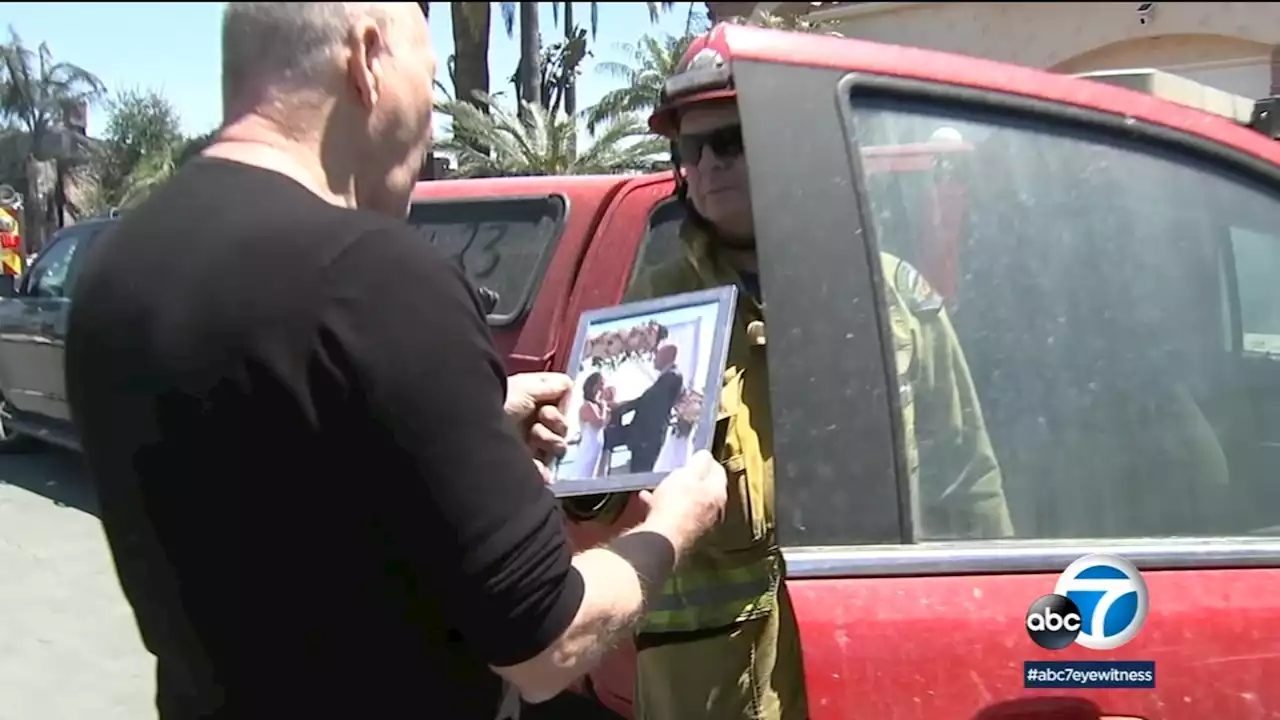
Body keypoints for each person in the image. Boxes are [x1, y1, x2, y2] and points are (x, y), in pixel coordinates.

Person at [62, 4, 727, 719]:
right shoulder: (374, 275)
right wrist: (674, 526)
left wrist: (463, 431)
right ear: (368, 56)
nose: (436, 122)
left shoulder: (113, 271)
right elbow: (547, 642)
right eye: (433, 84)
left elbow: (276, 490)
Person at [566, 38, 1014, 720]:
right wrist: (571, 442)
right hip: (712, 691)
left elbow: (968, 477)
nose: (708, 163)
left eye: (732, 140)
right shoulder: (653, 310)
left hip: (872, 670)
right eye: (692, 150)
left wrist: (1001, 629)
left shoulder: (892, 295)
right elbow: (592, 496)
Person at [611, 344, 684, 473]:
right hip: (644, 440)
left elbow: (650, 407)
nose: (655, 358)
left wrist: (625, 408)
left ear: (668, 356)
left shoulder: (671, 377)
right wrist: (623, 406)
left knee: (639, 474)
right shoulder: (665, 379)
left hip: (647, 440)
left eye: (658, 354)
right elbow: (644, 401)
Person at [577, 371, 611, 477]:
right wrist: (604, 407)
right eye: (601, 383)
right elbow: (599, 422)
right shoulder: (588, 406)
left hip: (596, 445)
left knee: (593, 473)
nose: (603, 387)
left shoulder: (597, 406)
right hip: (589, 446)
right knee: (585, 473)